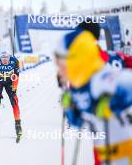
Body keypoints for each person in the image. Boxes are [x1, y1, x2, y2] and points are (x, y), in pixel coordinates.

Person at [55, 22, 132, 165]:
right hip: (107, 149)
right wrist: (71, 107)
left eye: (61, 65)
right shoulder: (115, 56)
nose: (59, 70)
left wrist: (114, 101)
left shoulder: (99, 73)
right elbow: (77, 121)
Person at [0, 50, 22, 141]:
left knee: (14, 101)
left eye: (6, 59)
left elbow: (16, 76)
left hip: (9, 82)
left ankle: (18, 126)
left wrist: (14, 88)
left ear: (9, 58)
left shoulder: (14, 61)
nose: (4, 61)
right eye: (3, 59)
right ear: (0, 58)